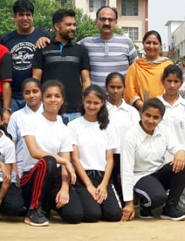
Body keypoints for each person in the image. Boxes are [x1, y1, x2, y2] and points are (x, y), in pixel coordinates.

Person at [19, 81, 81, 226]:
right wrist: (64, 161)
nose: (53, 100)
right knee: (49, 161)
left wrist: (64, 188)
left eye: (57, 96)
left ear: (62, 100)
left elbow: (65, 164)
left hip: (53, 179)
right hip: (31, 178)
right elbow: (34, 152)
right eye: (48, 96)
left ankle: (47, 206)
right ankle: (33, 210)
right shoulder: (29, 120)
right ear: (42, 99)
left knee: (75, 215)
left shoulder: (64, 129)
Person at [120, 99, 185, 221]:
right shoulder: (131, 136)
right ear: (141, 113)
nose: (150, 120)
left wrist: (180, 152)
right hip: (139, 176)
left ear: (161, 119)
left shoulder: (164, 131)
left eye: (155, 117)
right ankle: (145, 206)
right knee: (158, 197)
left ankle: (170, 208)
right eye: (147, 115)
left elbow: (178, 147)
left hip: (158, 173)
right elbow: (126, 170)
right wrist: (129, 203)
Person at [68, 86, 123, 222]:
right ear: (83, 101)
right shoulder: (73, 125)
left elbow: (110, 160)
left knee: (114, 214)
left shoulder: (108, 127)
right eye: (88, 102)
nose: (92, 106)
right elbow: (75, 158)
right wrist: (89, 185)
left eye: (96, 103)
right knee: (92, 214)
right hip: (83, 177)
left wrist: (104, 184)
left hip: (102, 176)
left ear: (102, 103)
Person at [32, 9, 91, 124]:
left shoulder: (80, 50)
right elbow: (36, 79)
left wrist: (87, 101)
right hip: (48, 111)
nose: (72, 28)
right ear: (57, 26)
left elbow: (86, 80)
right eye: (68, 25)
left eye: (74, 25)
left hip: (75, 111)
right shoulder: (43, 48)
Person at [0, 0, 52, 112]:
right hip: (13, 97)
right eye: (21, 15)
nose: (25, 18)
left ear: (32, 17)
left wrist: (48, 41)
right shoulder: (6, 40)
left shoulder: (44, 36)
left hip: (37, 96)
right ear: (14, 17)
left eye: (28, 15)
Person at [79, 6, 138, 88]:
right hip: (95, 96)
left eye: (110, 20)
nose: (106, 23)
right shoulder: (85, 43)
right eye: (103, 19)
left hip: (121, 95)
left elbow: (137, 71)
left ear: (116, 22)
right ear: (96, 21)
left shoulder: (127, 43)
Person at [104, 72, 140, 199]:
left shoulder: (132, 112)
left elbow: (137, 135)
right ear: (106, 88)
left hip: (127, 157)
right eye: (112, 87)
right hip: (106, 158)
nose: (115, 91)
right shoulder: (101, 110)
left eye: (119, 87)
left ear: (124, 88)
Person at [124, 31, 174, 110]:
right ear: (143, 44)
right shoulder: (135, 67)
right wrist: (142, 105)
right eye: (148, 43)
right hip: (140, 111)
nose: (151, 46)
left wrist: (159, 106)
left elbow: (172, 86)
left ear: (160, 46)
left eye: (155, 43)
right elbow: (129, 90)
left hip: (165, 109)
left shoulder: (167, 65)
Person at [7, 78, 43, 184]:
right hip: (22, 168)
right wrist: (15, 172)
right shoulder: (16, 116)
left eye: (35, 91)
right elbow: (11, 147)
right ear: (23, 95)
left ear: (41, 93)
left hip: (45, 166)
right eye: (27, 92)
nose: (31, 95)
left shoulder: (50, 115)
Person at [158, 65, 185, 150]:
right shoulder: (156, 105)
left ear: (181, 83)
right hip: (158, 155)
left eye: (176, 81)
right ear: (163, 81)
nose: (172, 85)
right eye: (169, 81)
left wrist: (184, 154)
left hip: (181, 155)